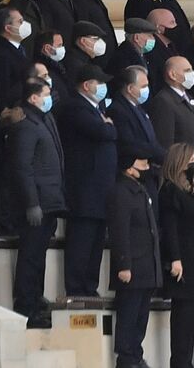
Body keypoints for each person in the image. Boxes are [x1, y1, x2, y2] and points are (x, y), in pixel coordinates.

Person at [5, 77, 65, 328]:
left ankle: (35, 302)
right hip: (37, 201)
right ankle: (26, 307)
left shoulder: (42, 120)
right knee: (30, 256)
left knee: (38, 255)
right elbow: (22, 167)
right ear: (33, 98)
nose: (50, 97)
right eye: (45, 93)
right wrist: (32, 202)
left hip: (49, 200)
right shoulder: (26, 126)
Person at [56, 62, 118, 298]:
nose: (104, 87)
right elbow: (104, 132)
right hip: (84, 188)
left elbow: (112, 131)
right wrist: (108, 127)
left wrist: (108, 126)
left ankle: (89, 287)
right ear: (86, 85)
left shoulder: (98, 108)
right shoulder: (75, 107)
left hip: (101, 189)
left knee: (95, 244)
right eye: (99, 83)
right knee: (81, 242)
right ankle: (76, 288)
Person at [107, 141, 161, 368]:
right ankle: (126, 356)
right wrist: (123, 264)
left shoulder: (139, 190)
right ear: (129, 166)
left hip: (146, 265)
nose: (146, 166)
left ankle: (136, 353)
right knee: (129, 314)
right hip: (133, 264)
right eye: (141, 162)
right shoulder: (121, 191)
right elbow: (120, 231)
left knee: (141, 315)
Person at [160, 142, 194, 368]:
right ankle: (180, 362)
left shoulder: (191, 189)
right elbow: (170, 228)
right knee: (182, 316)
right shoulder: (171, 190)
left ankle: (185, 361)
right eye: (190, 159)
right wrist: (175, 258)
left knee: (190, 315)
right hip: (183, 258)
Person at [109, 66, 164, 195]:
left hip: (148, 171)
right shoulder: (118, 110)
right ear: (130, 88)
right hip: (132, 173)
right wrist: (161, 154)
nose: (147, 90)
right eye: (143, 86)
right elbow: (128, 142)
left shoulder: (139, 108)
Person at [148, 56, 194, 149]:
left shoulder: (187, 96)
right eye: (187, 71)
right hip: (181, 161)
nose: (192, 74)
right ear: (172, 75)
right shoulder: (163, 101)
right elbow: (165, 140)